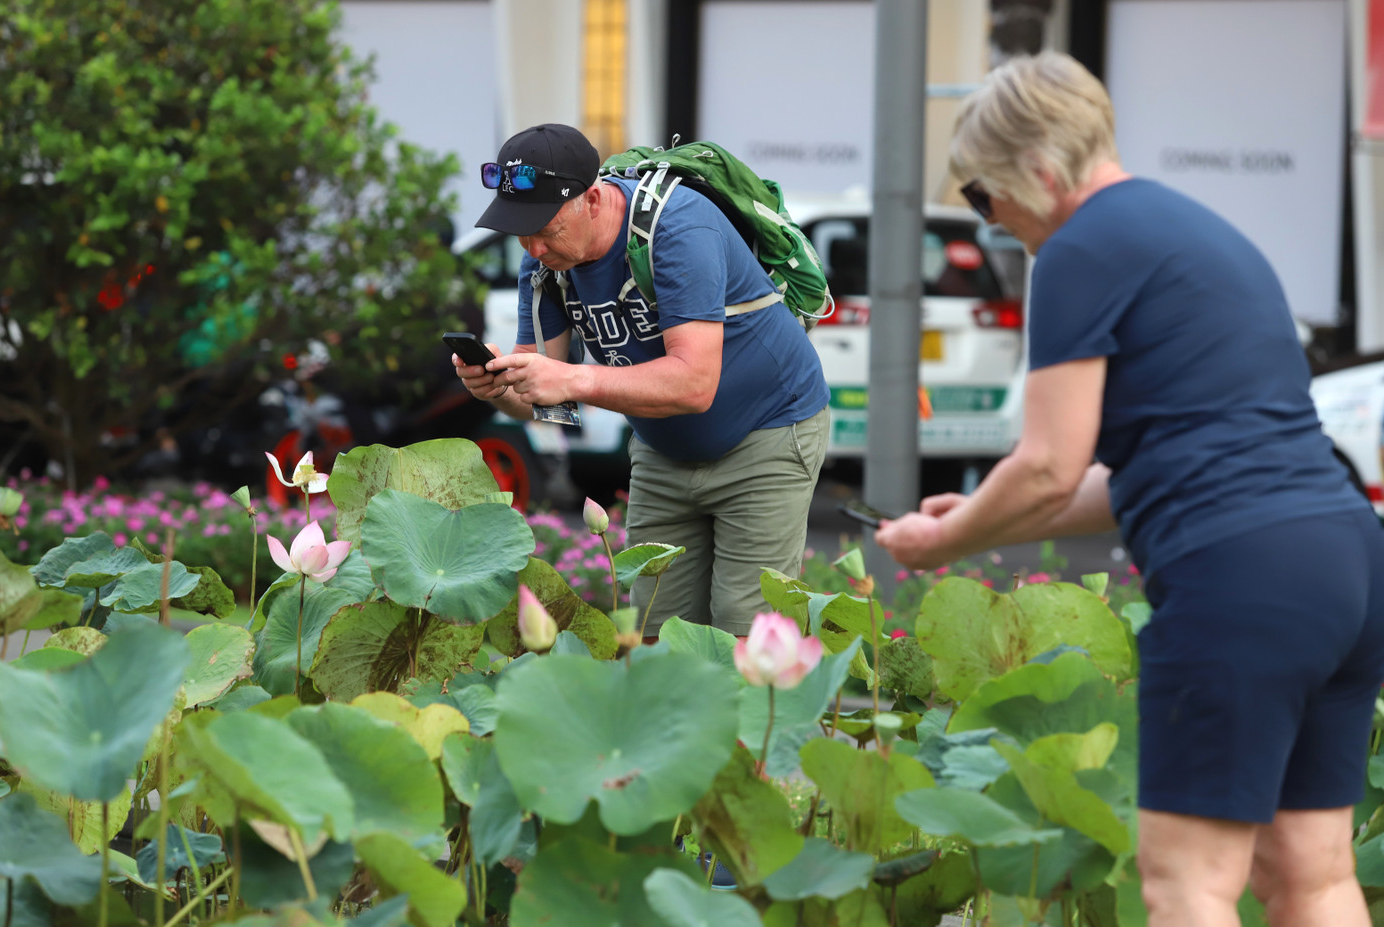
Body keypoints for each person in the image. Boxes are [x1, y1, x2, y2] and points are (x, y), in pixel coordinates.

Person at [874, 52, 1384, 927]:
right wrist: (981, 514)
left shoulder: (1079, 250)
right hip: (1344, 563)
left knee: (1187, 883)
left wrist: (942, 543)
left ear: (1037, 168)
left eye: (986, 197)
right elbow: (1145, 467)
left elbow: (1045, 466)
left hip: (1239, 580)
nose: (994, 223)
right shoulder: (1204, 232)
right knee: (1313, 874)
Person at [456, 123, 830, 638]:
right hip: (662, 448)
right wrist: (499, 388)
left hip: (766, 432)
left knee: (747, 636)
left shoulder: (678, 228)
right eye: (520, 231)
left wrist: (574, 378)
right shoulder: (545, 262)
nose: (534, 247)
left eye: (545, 228)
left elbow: (694, 384)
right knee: (655, 633)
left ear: (591, 198)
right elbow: (548, 402)